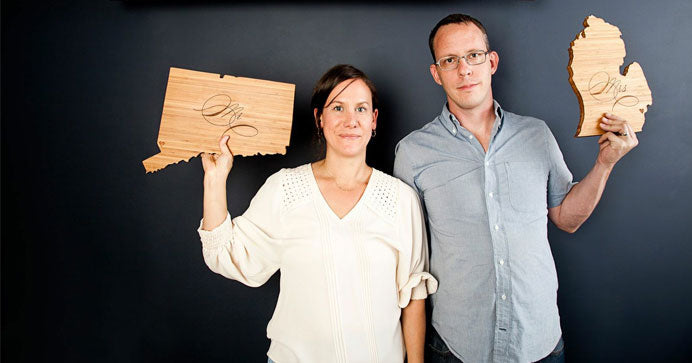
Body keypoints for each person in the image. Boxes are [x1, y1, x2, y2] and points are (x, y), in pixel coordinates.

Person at [393, 14, 639, 363]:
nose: (464, 70)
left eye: (474, 56)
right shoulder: (413, 152)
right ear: (437, 73)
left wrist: (605, 163)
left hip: (539, 342)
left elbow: (567, 219)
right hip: (456, 346)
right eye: (450, 60)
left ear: (491, 62)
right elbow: (408, 259)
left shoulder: (536, 135)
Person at [198, 64, 437, 363]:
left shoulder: (401, 199)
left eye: (361, 109)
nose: (351, 120)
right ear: (319, 118)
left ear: (374, 119)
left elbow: (413, 297)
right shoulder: (285, 189)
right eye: (338, 107)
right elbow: (225, 254)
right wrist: (215, 179)